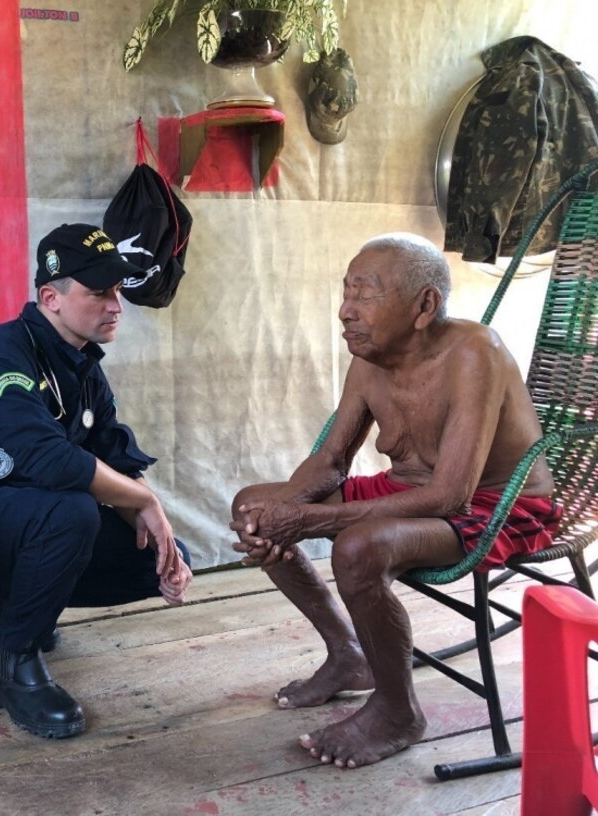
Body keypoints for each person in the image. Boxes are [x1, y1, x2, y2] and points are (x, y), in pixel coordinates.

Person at [229, 233, 560, 769]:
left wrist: (307, 518)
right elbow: (331, 460)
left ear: (424, 305)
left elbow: (451, 495)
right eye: (346, 290)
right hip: (411, 492)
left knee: (358, 549)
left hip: (496, 505)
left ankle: (398, 710)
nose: (345, 310)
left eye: (366, 293)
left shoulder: (477, 352)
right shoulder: (370, 357)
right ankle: (348, 654)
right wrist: (278, 514)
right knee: (252, 503)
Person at [0, 223, 194, 739]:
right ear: (51, 297)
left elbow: (113, 455)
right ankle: (13, 665)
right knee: (71, 511)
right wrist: (145, 499)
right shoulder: (0, 356)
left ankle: (18, 609)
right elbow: (50, 461)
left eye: (117, 290)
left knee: (158, 557)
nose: (116, 305)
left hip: (26, 522)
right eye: (99, 292)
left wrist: (149, 519)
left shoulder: (84, 366)